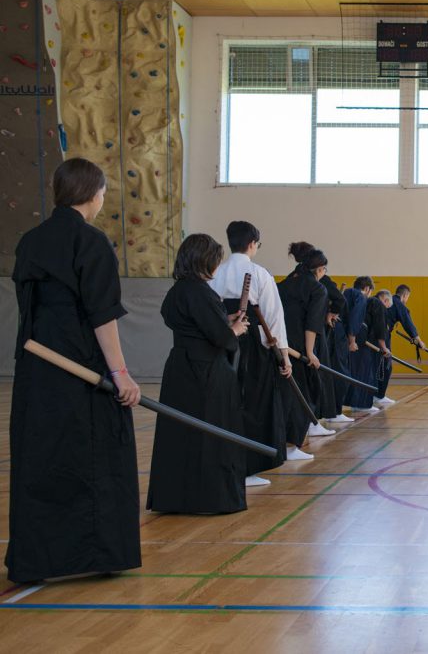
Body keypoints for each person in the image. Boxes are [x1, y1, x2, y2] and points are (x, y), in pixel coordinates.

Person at [8, 158, 142, 583]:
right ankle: (95, 554)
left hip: (36, 370)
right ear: (92, 193)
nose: (103, 200)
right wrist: (120, 374)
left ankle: (38, 560)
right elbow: (102, 315)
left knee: (42, 459)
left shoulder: (30, 240)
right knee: (96, 457)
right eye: (103, 192)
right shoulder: (92, 241)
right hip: (82, 370)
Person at [147, 234, 250, 514]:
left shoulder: (178, 291)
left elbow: (194, 325)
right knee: (210, 434)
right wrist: (234, 331)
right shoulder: (201, 292)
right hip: (206, 372)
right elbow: (221, 338)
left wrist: (223, 321)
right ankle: (209, 498)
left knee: (180, 434)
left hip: (180, 367)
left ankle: (175, 497)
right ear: (205, 261)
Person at [210, 220, 291, 488]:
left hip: (222, 343)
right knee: (254, 403)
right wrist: (284, 356)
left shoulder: (215, 272)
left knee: (225, 402)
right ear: (252, 244)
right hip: (253, 347)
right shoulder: (259, 274)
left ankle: (224, 464)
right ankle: (248, 468)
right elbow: (274, 318)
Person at [278, 242, 332, 459]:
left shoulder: (284, 284)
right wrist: (310, 353)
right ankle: (291, 447)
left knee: (286, 394)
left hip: (281, 346)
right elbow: (312, 324)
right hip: (298, 349)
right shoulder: (318, 289)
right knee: (303, 394)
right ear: (319, 269)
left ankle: (290, 441)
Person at [343, 276, 391, 413]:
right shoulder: (363, 298)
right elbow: (356, 319)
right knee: (364, 372)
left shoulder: (347, 293)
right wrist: (352, 341)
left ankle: (354, 403)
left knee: (353, 372)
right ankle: (362, 405)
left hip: (343, 338)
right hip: (356, 341)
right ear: (367, 289)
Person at [375, 283, 424, 406]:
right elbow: (408, 323)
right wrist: (418, 340)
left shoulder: (389, 300)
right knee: (386, 366)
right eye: (408, 297)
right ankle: (378, 395)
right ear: (405, 295)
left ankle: (375, 395)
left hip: (375, 334)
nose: (407, 300)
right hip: (383, 335)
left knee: (377, 365)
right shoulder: (398, 304)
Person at [317, 272, 353, 425]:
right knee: (336, 374)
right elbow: (340, 299)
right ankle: (332, 412)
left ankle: (333, 411)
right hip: (321, 336)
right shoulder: (317, 282)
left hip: (325, 335)